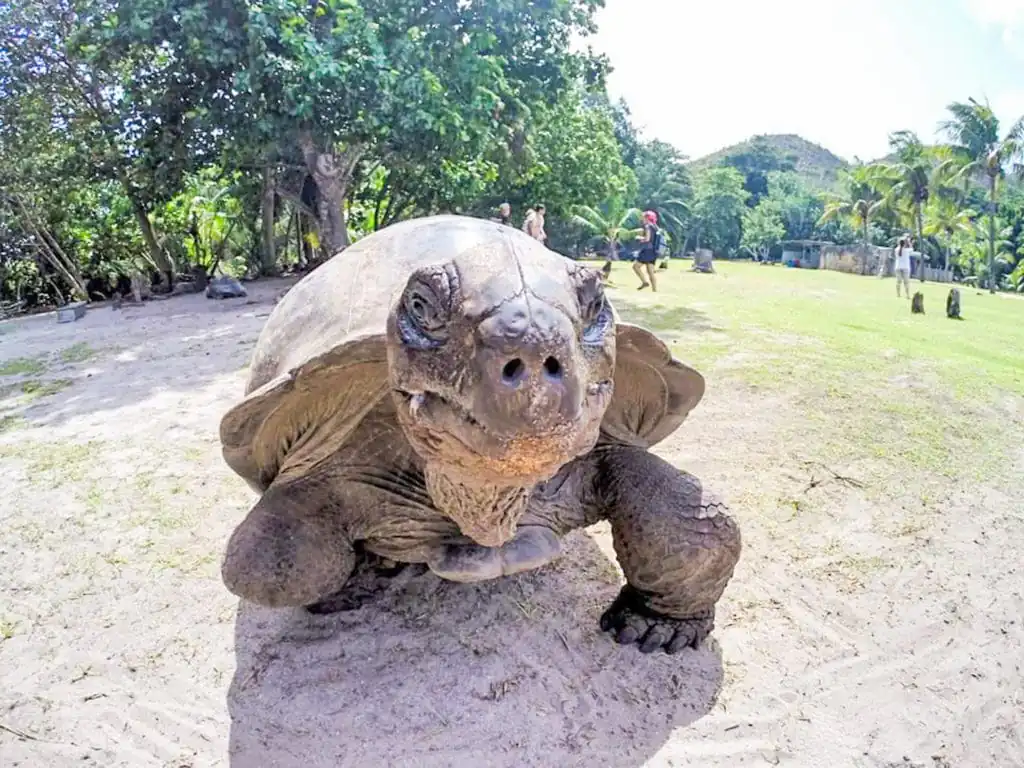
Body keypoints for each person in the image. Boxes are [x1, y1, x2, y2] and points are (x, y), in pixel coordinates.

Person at [633, 210, 661, 291]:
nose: (642, 219)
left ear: (647, 218)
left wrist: (639, 238)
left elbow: (647, 239)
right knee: (650, 272)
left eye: (643, 217)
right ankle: (654, 290)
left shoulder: (648, 226)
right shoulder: (655, 227)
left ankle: (645, 282)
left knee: (635, 266)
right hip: (653, 251)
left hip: (647, 250)